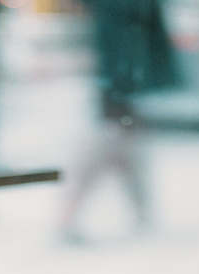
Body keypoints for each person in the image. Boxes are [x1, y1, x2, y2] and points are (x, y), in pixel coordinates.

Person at [59, 0, 180, 239]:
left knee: (120, 138)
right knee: (117, 137)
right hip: (124, 65)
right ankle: (68, 215)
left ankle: (70, 214)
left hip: (123, 65)